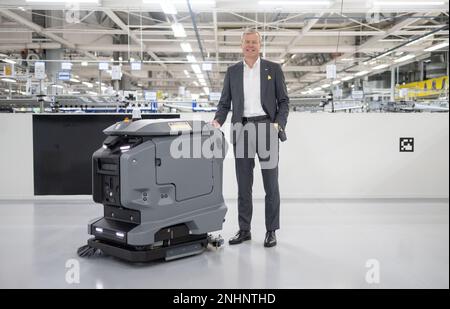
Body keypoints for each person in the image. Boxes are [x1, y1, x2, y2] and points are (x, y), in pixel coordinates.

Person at [211, 28, 289, 248]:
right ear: (241, 45)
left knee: (270, 185)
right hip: (242, 130)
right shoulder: (233, 71)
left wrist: (278, 124)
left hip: (267, 129)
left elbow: (284, 101)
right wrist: (218, 120)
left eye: (254, 42)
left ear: (260, 45)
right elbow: (225, 103)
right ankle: (244, 230)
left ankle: (271, 231)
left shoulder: (273, 69)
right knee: (243, 186)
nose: (250, 45)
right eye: (247, 42)